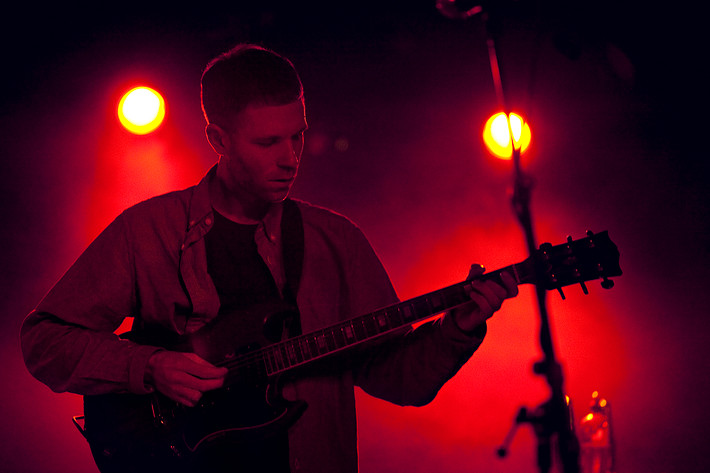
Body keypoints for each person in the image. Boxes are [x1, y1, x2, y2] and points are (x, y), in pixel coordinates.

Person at [21, 43, 518, 473]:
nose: (290, 157)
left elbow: (401, 380)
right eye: (268, 142)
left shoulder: (336, 241)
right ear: (218, 140)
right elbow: (44, 340)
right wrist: (150, 367)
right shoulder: (148, 230)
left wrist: (460, 326)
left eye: (297, 136)